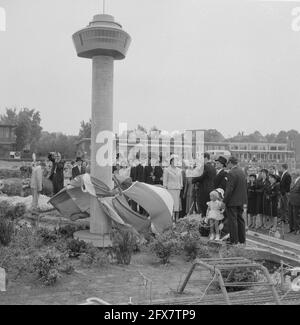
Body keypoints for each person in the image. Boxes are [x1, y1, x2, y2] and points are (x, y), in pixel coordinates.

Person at [223, 156, 248, 245]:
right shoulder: (241, 172)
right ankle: (242, 239)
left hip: (232, 201)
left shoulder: (231, 173)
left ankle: (234, 240)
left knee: (232, 221)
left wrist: (224, 201)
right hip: (241, 200)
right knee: (240, 220)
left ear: (230, 162)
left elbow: (229, 189)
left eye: (228, 163)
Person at [192, 152, 216, 216]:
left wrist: (193, 180)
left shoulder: (204, 166)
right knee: (210, 210)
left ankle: (203, 224)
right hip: (211, 190)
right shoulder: (213, 167)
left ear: (205, 158)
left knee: (203, 210)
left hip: (203, 191)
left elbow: (200, 176)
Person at [163, 157, 183, 224]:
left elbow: (181, 179)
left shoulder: (179, 170)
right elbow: (165, 179)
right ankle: (171, 218)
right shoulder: (166, 169)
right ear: (171, 162)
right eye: (174, 161)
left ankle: (177, 219)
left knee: (177, 204)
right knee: (171, 204)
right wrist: (165, 187)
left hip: (177, 189)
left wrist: (181, 185)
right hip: (170, 188)